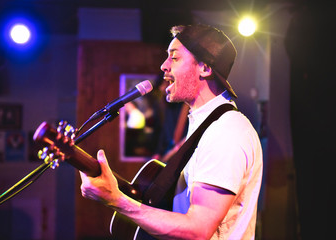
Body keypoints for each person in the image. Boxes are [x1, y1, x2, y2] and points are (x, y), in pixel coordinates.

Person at [80, 24, 263, 239]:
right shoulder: (205, 125)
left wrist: (116, 200)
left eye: (174, 58)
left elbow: (198, 229)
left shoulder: (227, 132)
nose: (163, 66)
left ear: (205, 68)